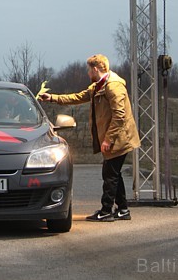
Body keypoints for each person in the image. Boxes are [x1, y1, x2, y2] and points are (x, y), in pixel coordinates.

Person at [39, 54, 141, 222]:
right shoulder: (98, 86)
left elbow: (119, 116)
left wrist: (108, 139)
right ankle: (123, 209)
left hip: (120, 138)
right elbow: (77, 97)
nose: (87, 73)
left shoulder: (113, 87)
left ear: (95, 69)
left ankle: (106, 210)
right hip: (115, 138)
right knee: (114, 173)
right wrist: (52, 98)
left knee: (109, 174)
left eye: (88, 70)